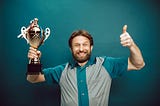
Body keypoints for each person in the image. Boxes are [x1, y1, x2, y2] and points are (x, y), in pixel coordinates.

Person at [27, 25, 145, 106]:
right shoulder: (62, 70)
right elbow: (33, 79)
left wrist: (131, 45)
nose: (81, 49)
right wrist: (34, 61)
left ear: (91, 47)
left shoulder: (106, 64)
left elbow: (138, 64)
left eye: (85, 44)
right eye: (77, 45)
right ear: (71, 49)